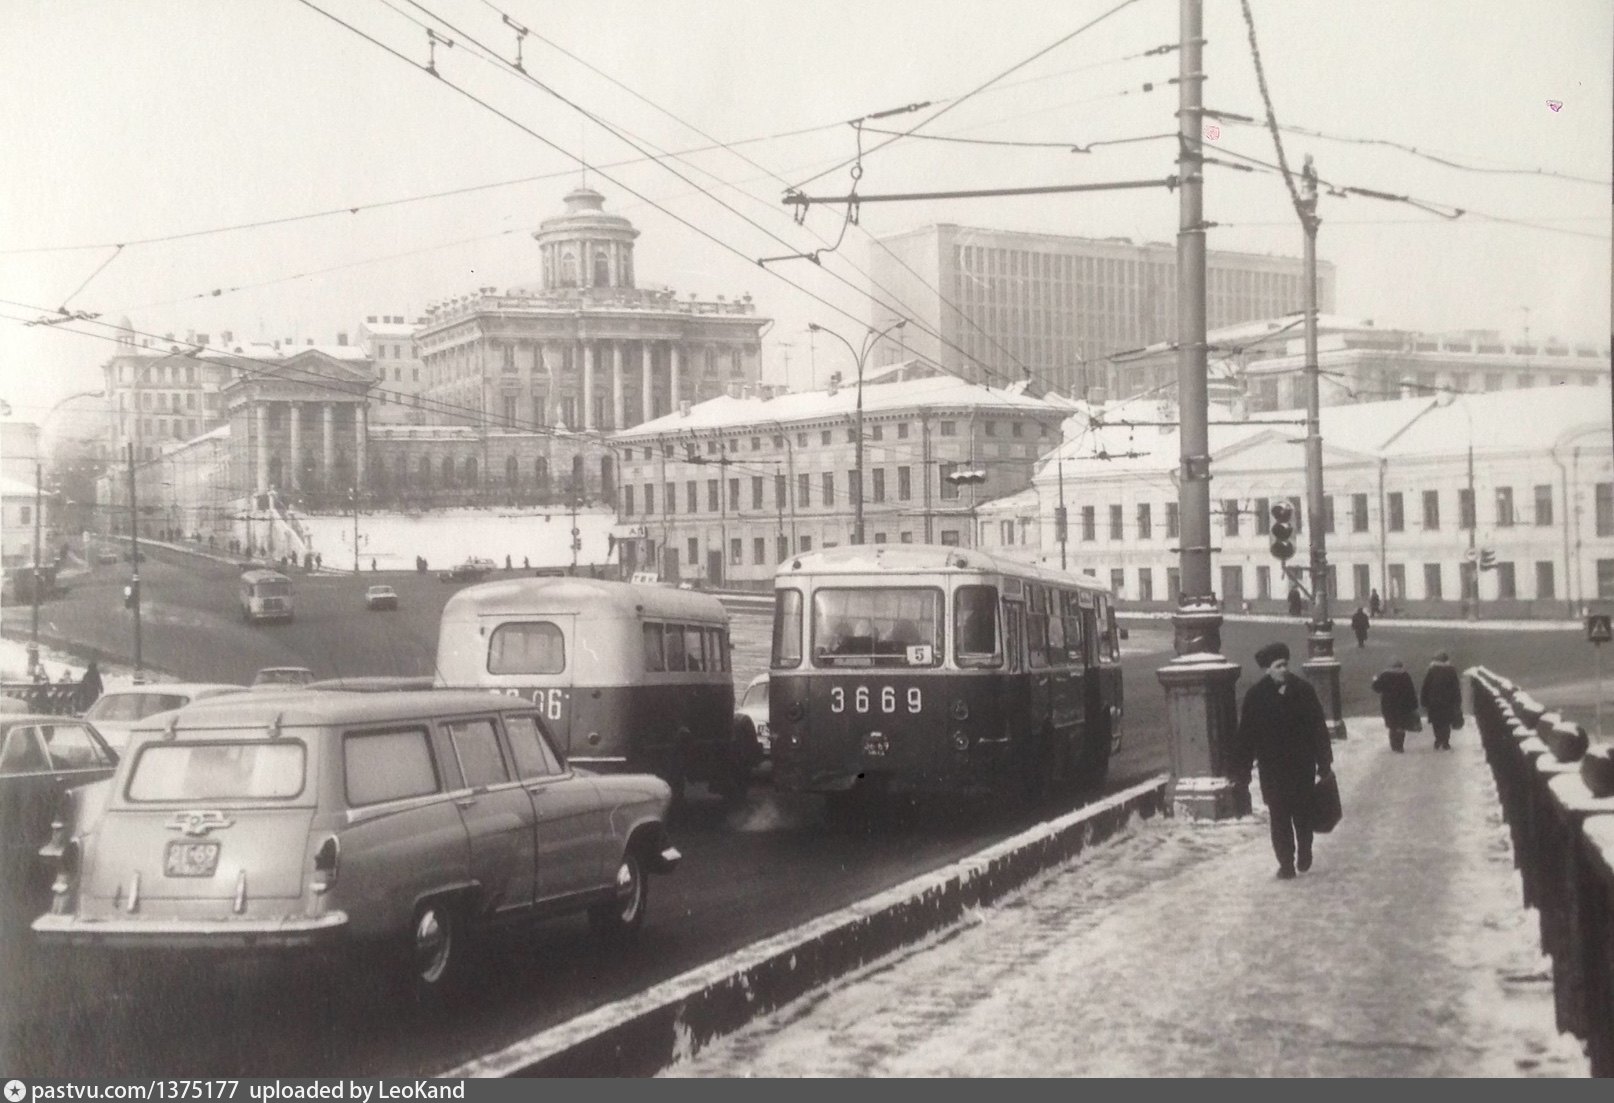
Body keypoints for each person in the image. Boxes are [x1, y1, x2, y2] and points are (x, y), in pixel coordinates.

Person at [1232, 642, 1333, 879]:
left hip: (1302, 766)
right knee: (1279, 818)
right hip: (1272, 769)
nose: (1283, 670)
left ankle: (1305, 851)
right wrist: (1243, 771)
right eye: (1278, 666)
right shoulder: (1255, 697)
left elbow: (1318, 727)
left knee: (1303, 815)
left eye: (1285, 665)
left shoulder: (1303, 690)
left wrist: (1324, 761)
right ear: (1267, 669)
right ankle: (1286, 863)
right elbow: (1246, 736)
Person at [1370, 659, 1420, 753]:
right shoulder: (1405, 676)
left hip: (1389, 706)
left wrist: (1375, 680)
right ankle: (1400, 746)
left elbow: (1377, 688)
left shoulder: (1385, 675)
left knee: (1393, 726)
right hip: (1403, 706)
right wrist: (1414, 706)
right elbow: (1411, 692)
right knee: (1401, 726)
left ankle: (1394, 745)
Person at [1420, 651, 1464, 751]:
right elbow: (1456, 687)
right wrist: (1457, 701)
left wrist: (1424, 700)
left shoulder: (1431, 671)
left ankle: (1438, 739)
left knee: (1437, 722)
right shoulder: (1451, 671)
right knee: (1446, 722)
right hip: (1448, 701)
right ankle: (1445, 741)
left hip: (1434, 701)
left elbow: (1426, 686)